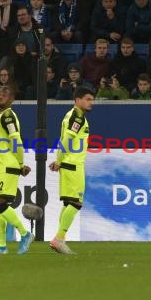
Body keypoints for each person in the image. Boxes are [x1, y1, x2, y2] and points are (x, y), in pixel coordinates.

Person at [0, 86, 34, 255]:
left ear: (11, 99)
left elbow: (16, 140)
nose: (0, 96)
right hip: (0, 166)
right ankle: (1, 245)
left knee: (0, 203)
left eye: (5, 94)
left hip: (8, 165)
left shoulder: (8, 116)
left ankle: (25, 234)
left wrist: (20, 164)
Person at [49, 86, 94, 254]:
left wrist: (59, 160)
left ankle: (60, 239)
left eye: (92, 99)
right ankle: (59, 239)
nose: (91, 103)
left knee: (69, 203)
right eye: (88, 99)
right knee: (76, 203)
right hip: (73, 165)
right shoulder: (77, 117)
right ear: (77, 99)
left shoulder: (71, 115)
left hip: (69, 164)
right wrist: (59, 161)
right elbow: (67, 139)